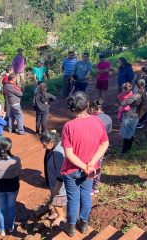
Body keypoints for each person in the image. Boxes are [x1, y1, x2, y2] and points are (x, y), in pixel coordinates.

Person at [61, 92, 109, 237]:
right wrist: (91, 164)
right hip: (90, 169)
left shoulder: (69, 126)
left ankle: (70, 227)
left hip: (72, 170)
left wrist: (84, 166)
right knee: (86, 195)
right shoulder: (97, 122)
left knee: (73, 199)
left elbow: (69, 154)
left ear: (72, 108)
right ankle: (83, 224)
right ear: (88, 104)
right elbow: (104, 143)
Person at [0, 137, 22, 236]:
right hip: (12, 187)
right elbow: (19, 171)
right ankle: (11, 226)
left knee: (1, 208)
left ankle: (2, 229)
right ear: (10, 147)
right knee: (11, 207)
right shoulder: (16, 160)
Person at [39, 130, 67, 227]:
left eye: (45, 144)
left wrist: (57, 187)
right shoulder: (58, 146)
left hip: (58, 184)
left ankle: (61, 217)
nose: (43, 146)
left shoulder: (57, 153)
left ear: (51, 142)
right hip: (56, 183)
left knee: (57, 201)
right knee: (59, 200)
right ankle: (60, 213)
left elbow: (61, 172)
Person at [87, 100, 112, 195]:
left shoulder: (92, 119)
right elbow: (109, 131)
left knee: (91, 165)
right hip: (103, 145)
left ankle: (89, 187)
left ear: (93, 109)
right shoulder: (108, 118)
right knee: (98, 165)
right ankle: (95, 186)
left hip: (93, 146)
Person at [119, 79, 147, 155]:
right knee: (131, 132)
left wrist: (125, 92)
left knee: (127, 134)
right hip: (137, 115)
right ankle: (129, 149)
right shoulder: (145, 92)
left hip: (130, 115)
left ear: (136, 85)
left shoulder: (136, 95)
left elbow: (123, 103)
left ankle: (124, 151)